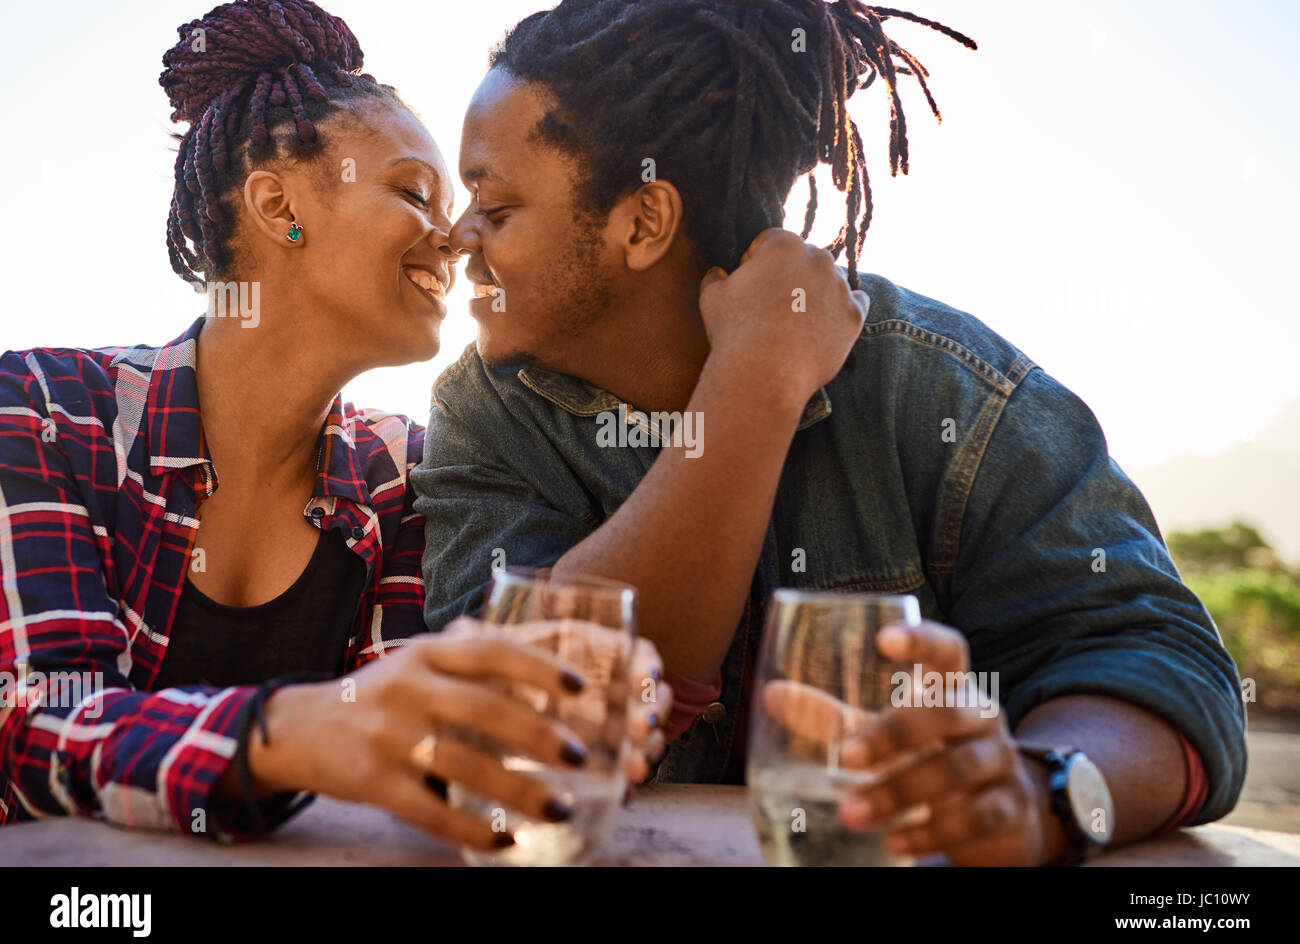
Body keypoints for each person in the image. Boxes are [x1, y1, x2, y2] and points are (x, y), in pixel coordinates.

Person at [413, 0, 1248, 865]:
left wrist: (1037, 791)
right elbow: (504, 713)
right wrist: (750, 391)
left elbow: (1163, 663)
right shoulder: (487, 412)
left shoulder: (936, 383)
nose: (455, 236)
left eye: (495, 205)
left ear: (642, 222)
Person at [0, 0, 684, 849]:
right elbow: (35, 739)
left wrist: (544, 712)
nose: (456, 238)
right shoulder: (44, 410)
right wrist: (293, 735)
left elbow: (405, 759)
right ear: (277, 202)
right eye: (413, 191)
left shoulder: (402, 474)